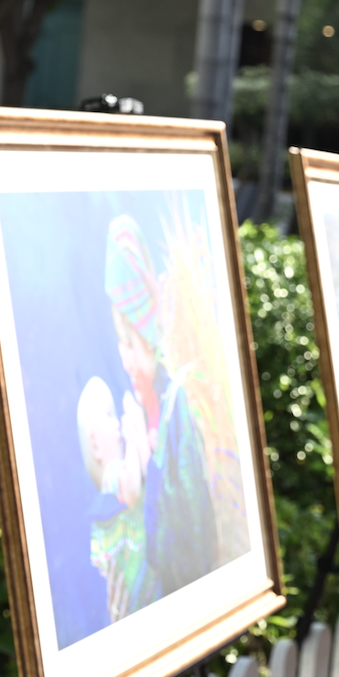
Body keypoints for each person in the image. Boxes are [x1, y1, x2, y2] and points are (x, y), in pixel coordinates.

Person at [104, 214, 218, 596]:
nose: (126, 360)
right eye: (120, 344)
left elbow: (189, 522)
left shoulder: (178, 406)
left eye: (132, 345)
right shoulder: (144, 413)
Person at [76, 375, 160, 622]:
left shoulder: (122, 468)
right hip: (132, 583)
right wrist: (135, 439)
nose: (117, 424)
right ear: (94, 444)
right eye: (109, 415)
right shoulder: (113, 476)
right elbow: (132, 490)